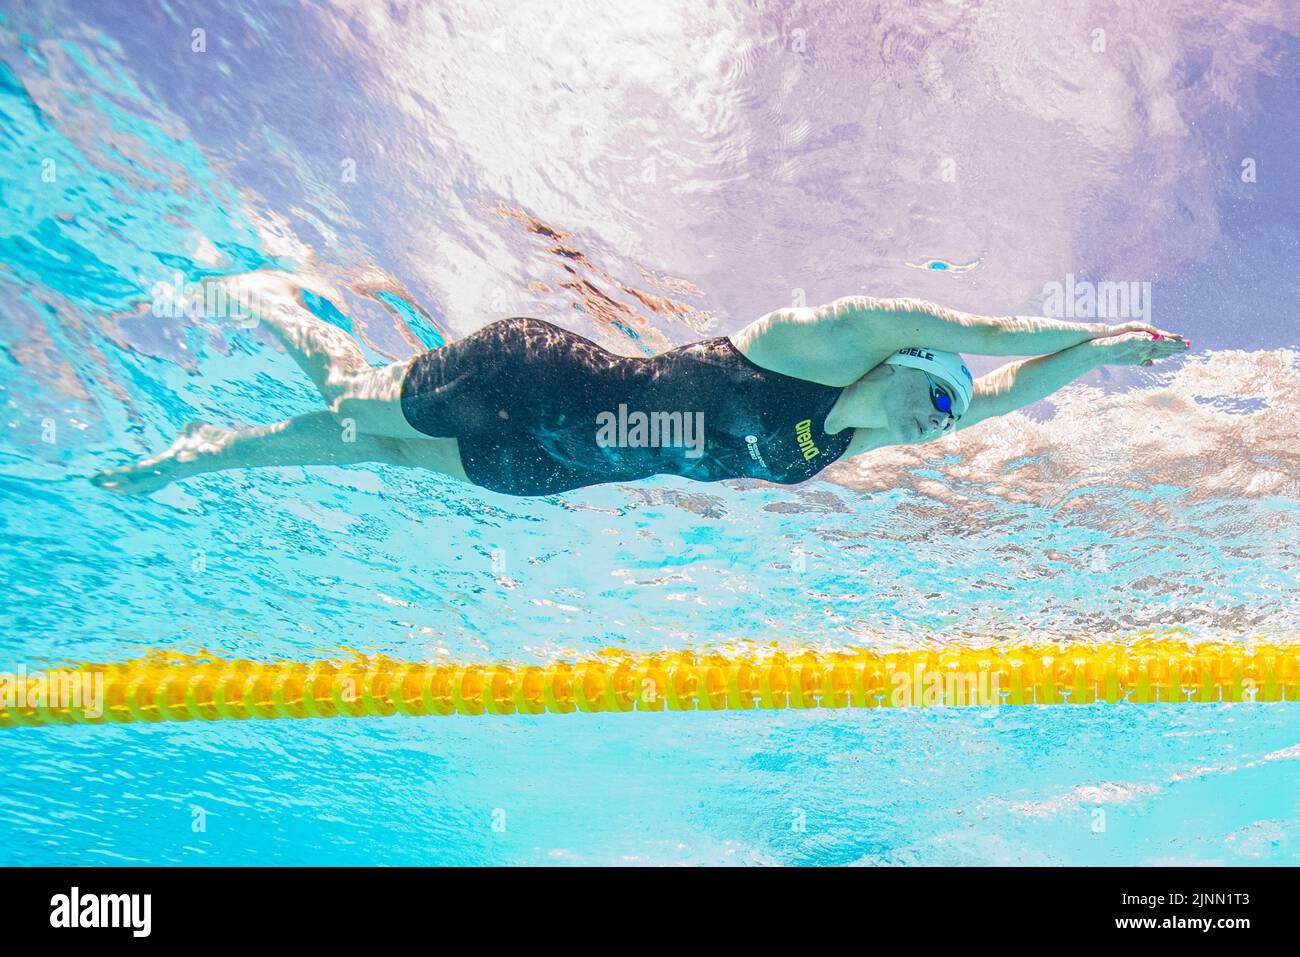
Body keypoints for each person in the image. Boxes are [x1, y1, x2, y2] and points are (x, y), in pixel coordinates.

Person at [92, 271, 1189, 497]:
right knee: (350, 406)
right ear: (897, 363)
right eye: (938, 393)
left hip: (549, 466)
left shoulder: (855, 441)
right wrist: (1100, 329)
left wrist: (1091, 371)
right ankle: (284, 301)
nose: (944, 417)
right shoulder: (808, 344)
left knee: (369, 452)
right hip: (525, 374)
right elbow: (981, 335)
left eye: (952, 413)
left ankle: (208, 458)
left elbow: (998, 393)